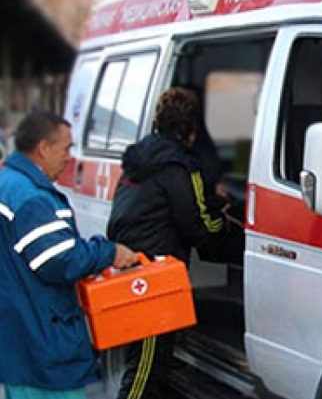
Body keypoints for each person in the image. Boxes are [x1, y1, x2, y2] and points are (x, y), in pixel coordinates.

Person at [0, 111, 138, 399]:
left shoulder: (10, 183)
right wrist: (108, 252)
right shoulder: (31, 197)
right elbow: (58, 259)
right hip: (41, 347)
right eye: (65, 149)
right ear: (43, 148)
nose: (69, 158)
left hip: (19, 341)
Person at [107, 86, 227, 399]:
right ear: (190, 133)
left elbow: (158, 200)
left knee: (150, 360)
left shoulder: (141, 158)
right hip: (155, 274)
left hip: (131, 263)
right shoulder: (181, 166)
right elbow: (196, 225)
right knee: (145, 368)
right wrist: (226, 225)